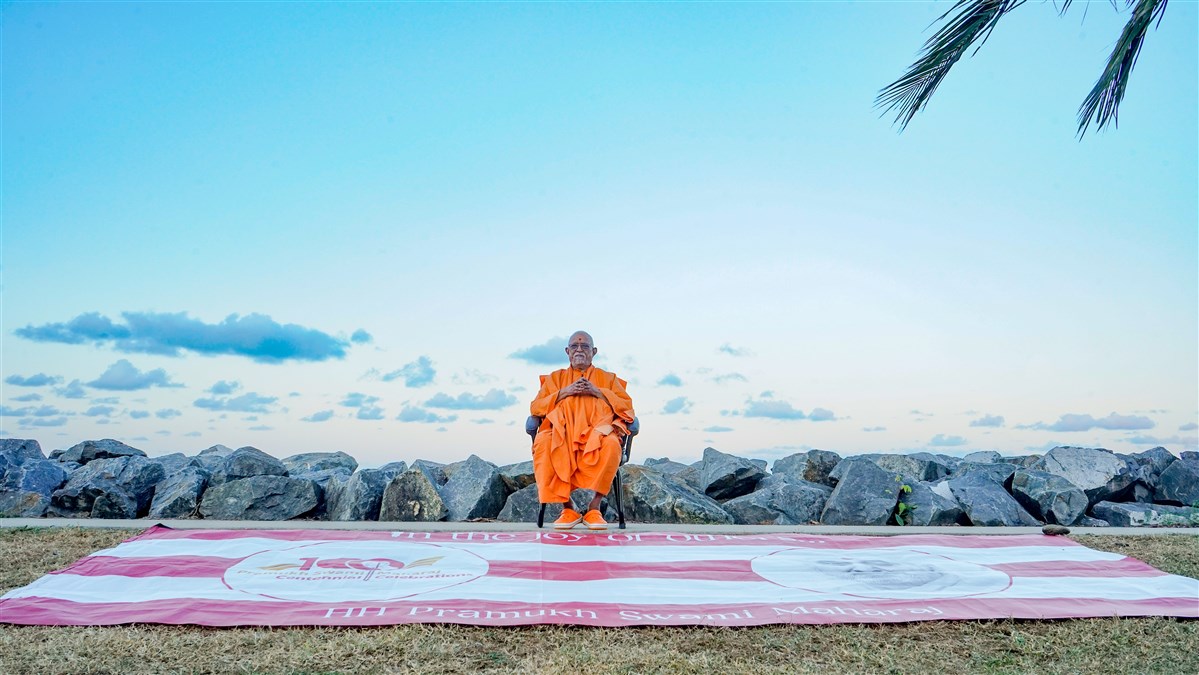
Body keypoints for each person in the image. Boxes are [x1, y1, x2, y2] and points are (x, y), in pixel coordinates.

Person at [529, 331, 634, 530]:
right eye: (574, 347)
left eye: (585, 346)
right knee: (543, 442)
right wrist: (564, 392)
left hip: (598, 434)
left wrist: (598, 392)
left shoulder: (609, 379)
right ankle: (568, 508)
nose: (579, 350)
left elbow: (627, 407)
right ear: (567, 352)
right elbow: (536, 407)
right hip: (562, 434)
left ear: (593, 352)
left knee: (612, 444)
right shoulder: (555, 379)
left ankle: (594, 508)